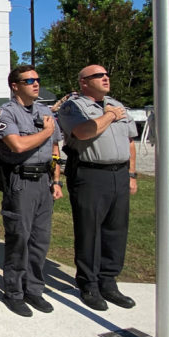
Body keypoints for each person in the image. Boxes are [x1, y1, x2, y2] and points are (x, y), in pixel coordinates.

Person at [57, 65, 139, 311]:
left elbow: (130, 142)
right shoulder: (74, 107)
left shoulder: (116, 104)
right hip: (90, 174)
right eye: (98, 76)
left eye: (106, 75)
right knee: (89, 230)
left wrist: (132, 174)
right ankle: (88, 284)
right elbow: (83, 132)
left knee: (116, 229)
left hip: (119, 174)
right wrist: (112, 115)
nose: (105, 78)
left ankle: (109, 281)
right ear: (84, 82)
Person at [0, 66, 63, 317]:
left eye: (37, 79)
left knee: (40, 240)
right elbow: (18, 145)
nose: (36, 84)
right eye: (29, 80)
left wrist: (56, 180)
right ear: (15, 85)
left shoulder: (45, 111)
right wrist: (45, 131)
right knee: (19, 239)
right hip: (20, 182)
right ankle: (14, 292)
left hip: (44, 182)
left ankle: (34, 289)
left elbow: (54, 149)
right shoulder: (5, 114)